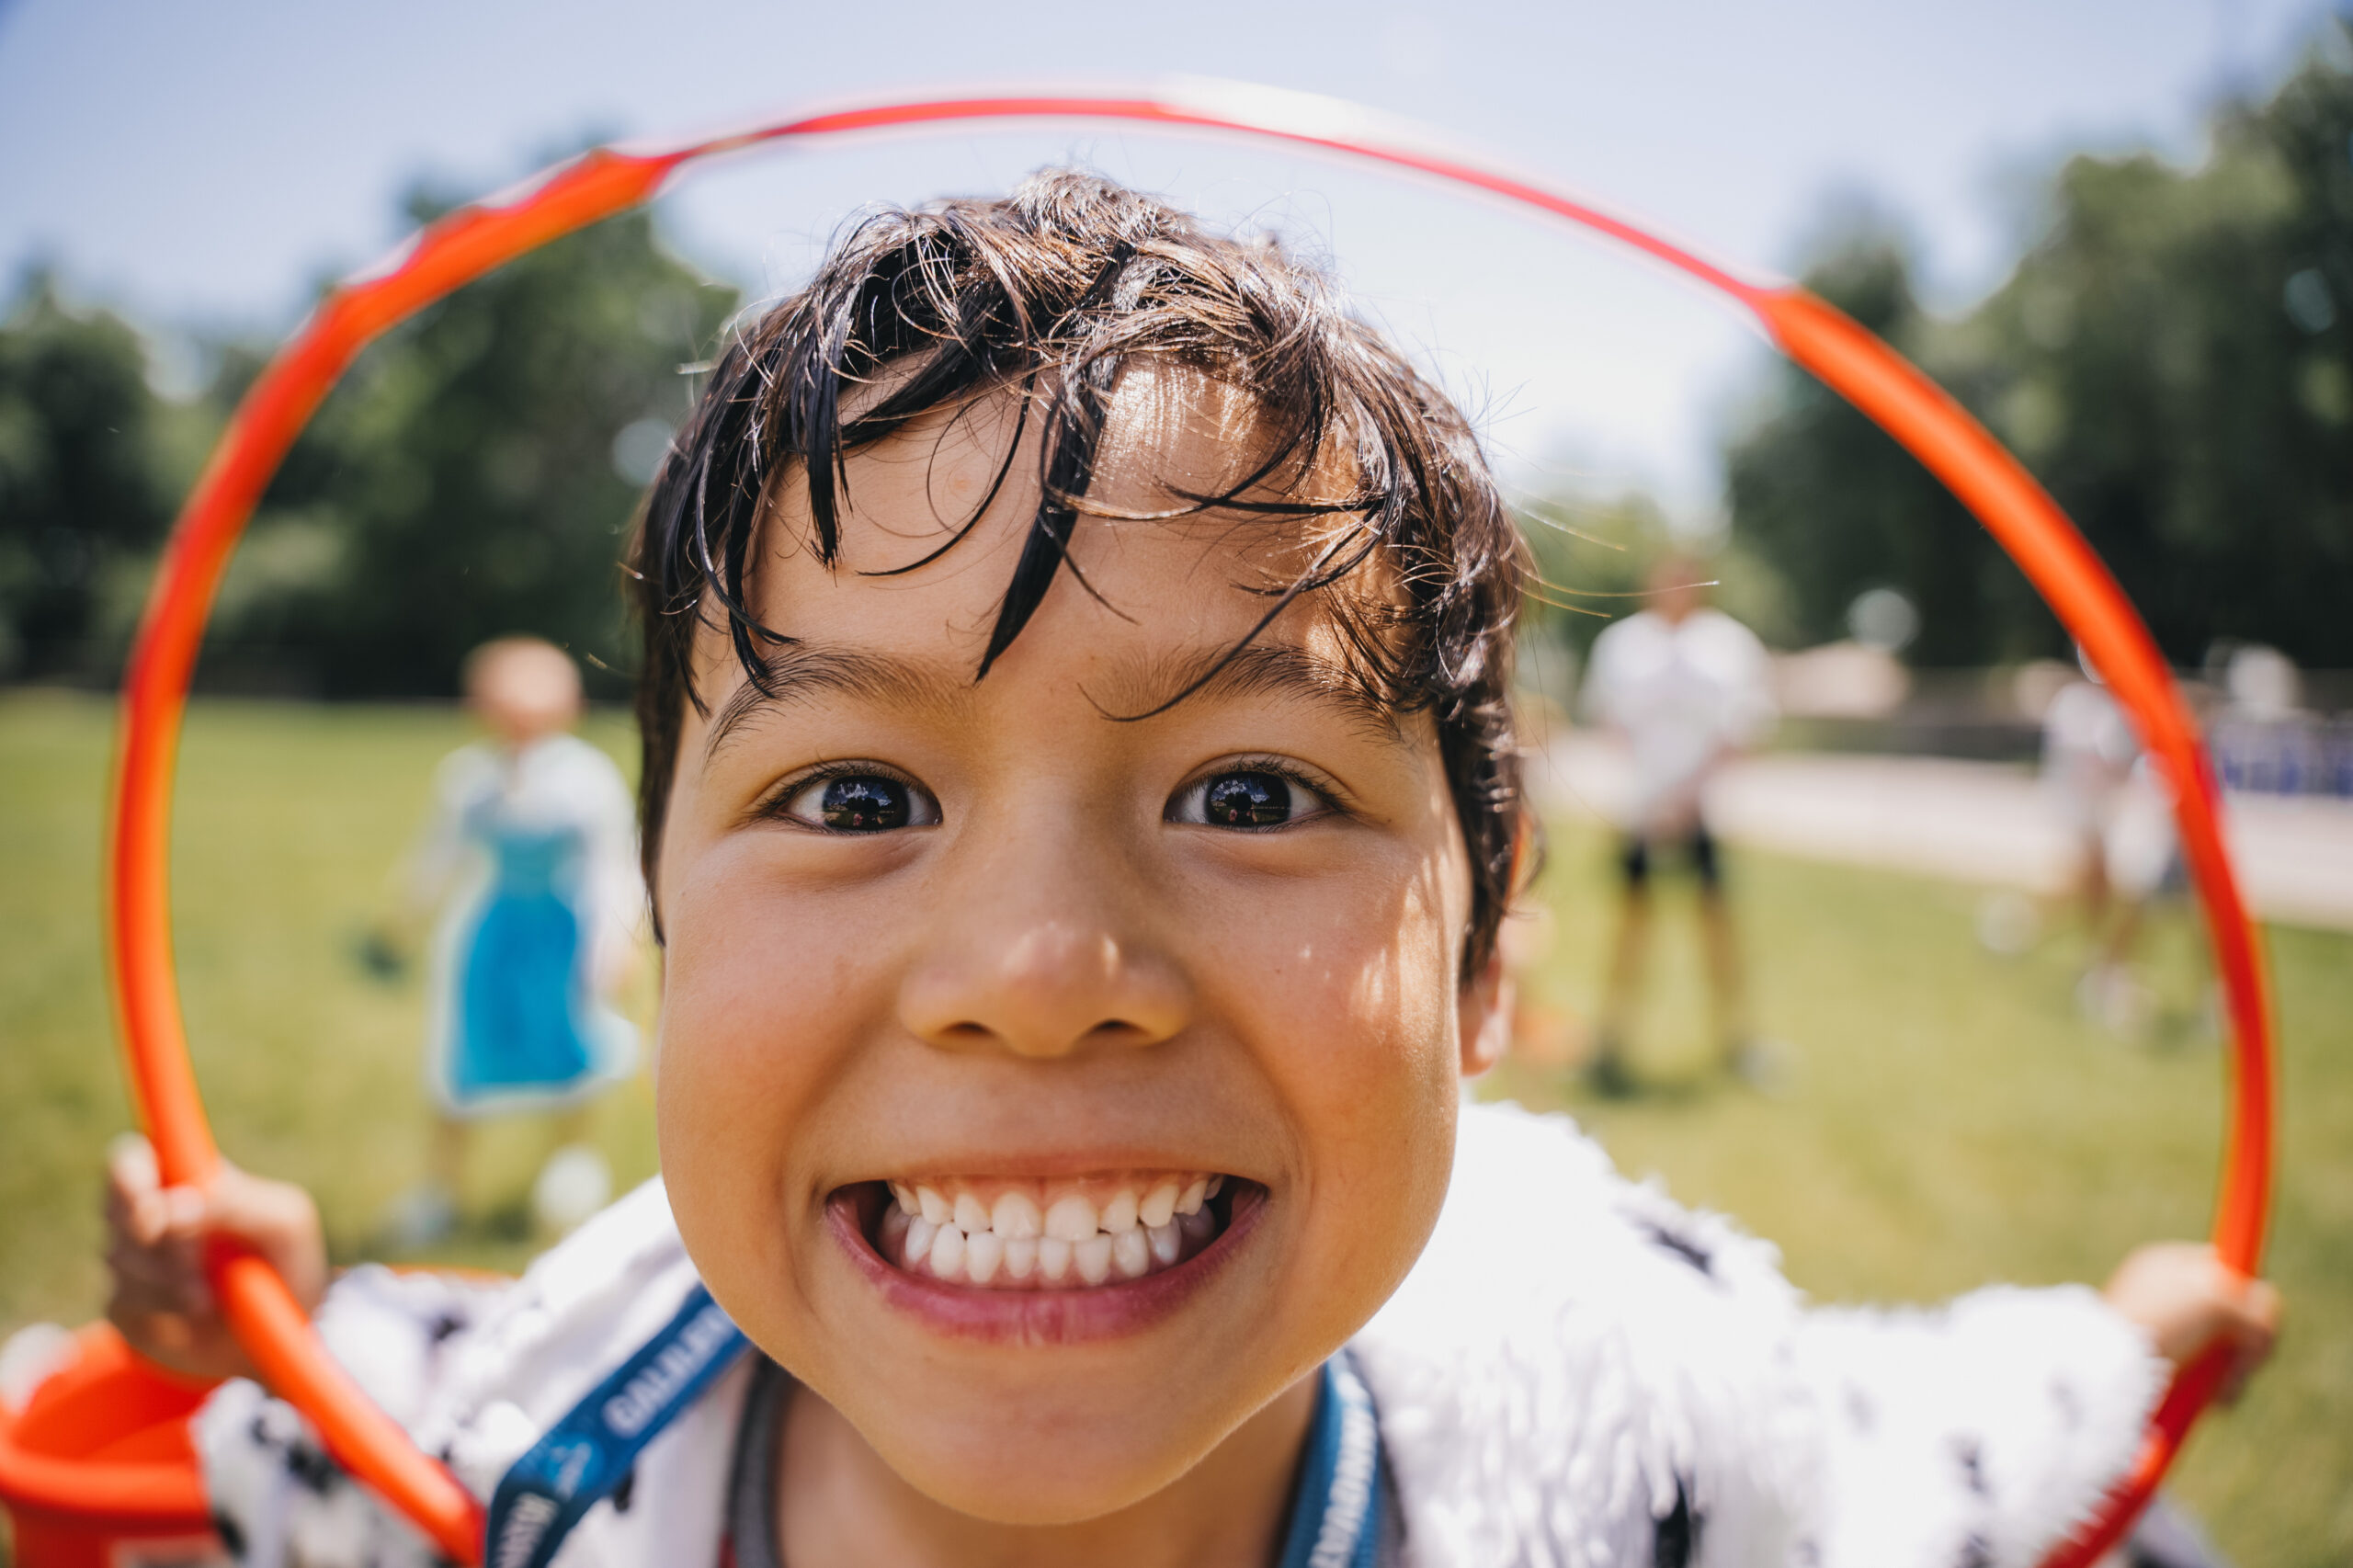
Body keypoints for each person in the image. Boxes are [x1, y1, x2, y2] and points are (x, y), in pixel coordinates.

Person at [99, 172, 2276, 1568]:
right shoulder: (508, 1443)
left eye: (1249, 792)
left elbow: (1923, 1456)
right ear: (658, 931)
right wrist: (235, 1349)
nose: (1039, 973)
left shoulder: (1637, 1417)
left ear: (1486, 960)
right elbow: (308, 1436)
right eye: (854, 795)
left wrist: (2105, 1346)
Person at [385, 636, 643, 1242]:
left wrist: (616, 940)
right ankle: (439, 1188)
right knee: (463, 1056)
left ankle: (571, 1160)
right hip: (493, 937)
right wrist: (404, 918)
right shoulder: (471, 778)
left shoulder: (585, 778)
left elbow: (612, 863)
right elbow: (439, 853)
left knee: (570, 1047)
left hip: (561, 936)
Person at [1579, 554, 1776, 1092]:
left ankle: (1739, 1040)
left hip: (1704, 813)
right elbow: (1609, 723)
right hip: (1642, 813)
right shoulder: (1622, 646)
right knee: (1631, 926)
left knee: (1717, 927)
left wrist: (1686, 799)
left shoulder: (1730, 646)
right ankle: (1612, 1038)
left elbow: (1744, 732)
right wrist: (1653, 798)